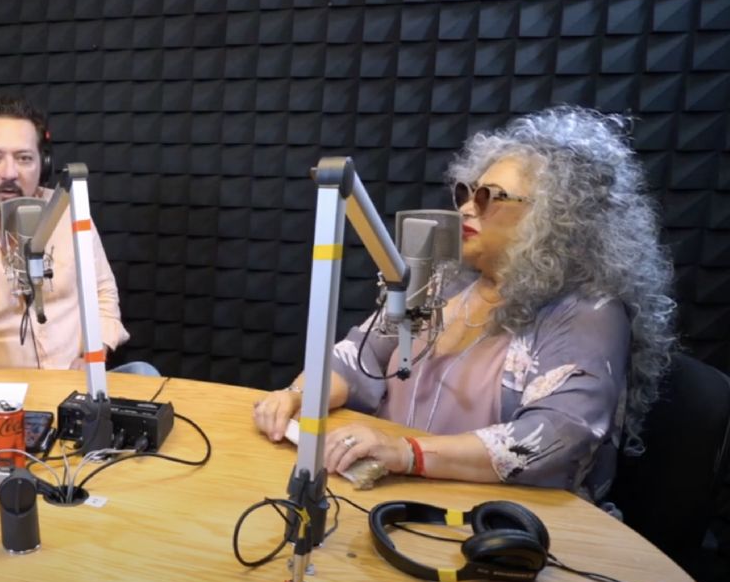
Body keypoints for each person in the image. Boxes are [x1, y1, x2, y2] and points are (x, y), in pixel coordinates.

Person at [253, 106, 676, 501]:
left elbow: (555, 436)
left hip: (500, 518)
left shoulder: (588, 313)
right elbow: (357, 356)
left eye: (490, 196)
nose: (467, 208)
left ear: (558, 217)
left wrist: (407, 453)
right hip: (394, 492)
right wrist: (297, 395)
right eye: (466, 192)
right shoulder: (444, 281)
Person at [0, 94, 154, 374]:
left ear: (43, 165)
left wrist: (93, 355)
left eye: (24, 158)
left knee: (144, 373)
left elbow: (102, 293)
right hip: (4, 396)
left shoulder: (68, 213)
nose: (9, 173)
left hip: (76, 383)